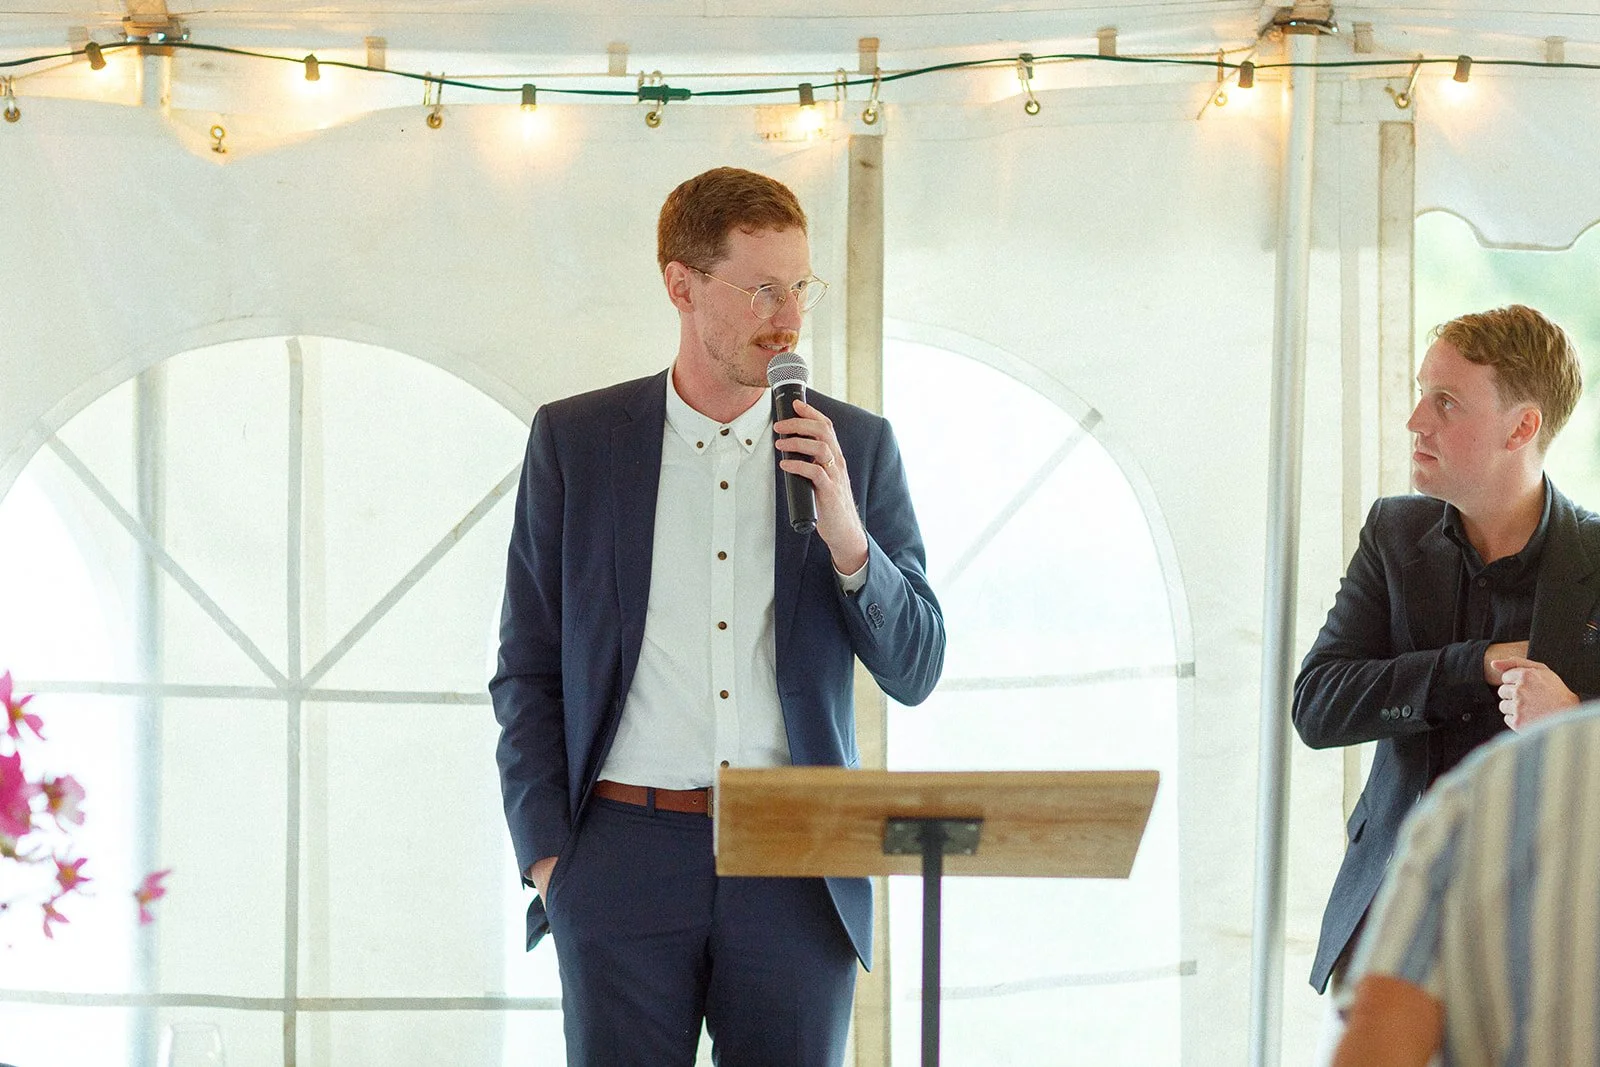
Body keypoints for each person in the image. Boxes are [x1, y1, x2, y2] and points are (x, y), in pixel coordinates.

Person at [489, 166, 946, 1066]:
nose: (790, 317)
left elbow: (917, 667)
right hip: (620, 856)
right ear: (682, 284)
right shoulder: (577, 442)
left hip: (797, 858)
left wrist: (850, 538)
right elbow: (528, 665)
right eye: (762, 289)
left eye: (801, 285)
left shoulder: (856, 447)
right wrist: (552, 862)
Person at [1293, 303, 1600, 1003]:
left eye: (1446, 402)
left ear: (1521, 428)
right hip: (1387, 923)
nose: (1415, 422)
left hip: (1550, 940)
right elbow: (1318, 706)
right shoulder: (1392, 533)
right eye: (1421, 394)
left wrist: (1575, 716)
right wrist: (1475, 664)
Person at [1332, 702, 1600, 1066]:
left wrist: (1568, 710)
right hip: (1390, 898)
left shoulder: (1474, 795)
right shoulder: (1471, 799)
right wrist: (1470, 671)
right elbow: (1319, 703)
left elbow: (1380, 1041)